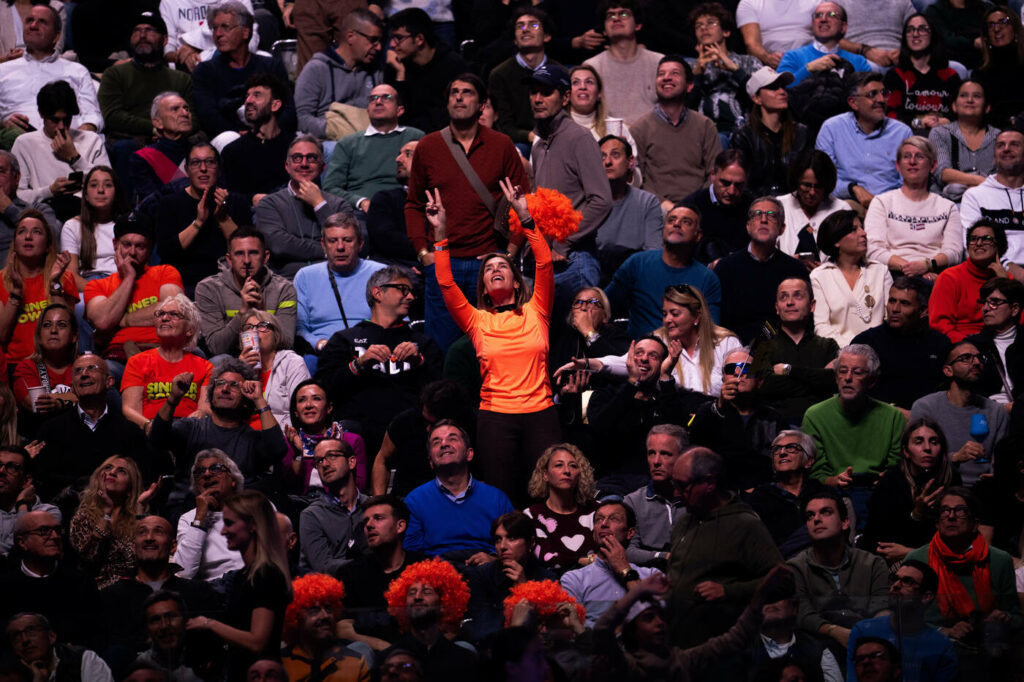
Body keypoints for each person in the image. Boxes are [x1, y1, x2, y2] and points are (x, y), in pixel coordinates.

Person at [430, 180, 561, 504]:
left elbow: (544, 264)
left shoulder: (537, 310)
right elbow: (445, 283)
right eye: (489, 269)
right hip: (495, 417)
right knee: (501, 495)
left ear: (517, 284)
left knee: (547, 493)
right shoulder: (477, 320)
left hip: (541, 413)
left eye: (503, 265)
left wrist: (526, 220)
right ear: (485, 288)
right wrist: (440, 235)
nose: (496, 269)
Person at [404, 73, 529, 353]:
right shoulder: (428, 146)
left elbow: (524, 204)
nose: (459, 97)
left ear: (483, 104)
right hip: (443, 263)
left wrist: (509, 254)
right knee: (441, 350)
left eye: (467, 92)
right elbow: (413, 204)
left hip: (487, 263)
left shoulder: (502, 145)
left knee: (492, 348)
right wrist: (424, 254)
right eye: (454, 92)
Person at [315, 264, 443, 454]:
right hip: (359, 436)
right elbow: (325, 390)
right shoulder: (344, 340)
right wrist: (357, 365)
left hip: (412, 435)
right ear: (378, 293)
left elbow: (443, 394)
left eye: (411, 292)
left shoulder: (422, 344)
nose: (411, 297)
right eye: (403, 290)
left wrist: (420, 363)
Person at [666, 447, 782, 646]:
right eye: (673, 483)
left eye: (682, 485)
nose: (676, 493)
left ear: (710, 483)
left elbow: (781, 580)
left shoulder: (745, 524)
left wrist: (728, 591)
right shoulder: (685, 521)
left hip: (721, 646)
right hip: (677, 641)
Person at [904, 487, 1023, 673]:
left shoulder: (1000, 561)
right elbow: (904, 619)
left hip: (987, 653)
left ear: (975, 523)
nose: (951, 516)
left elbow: (1016, 617)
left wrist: (1004, 618)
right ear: (937, 522)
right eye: (945, 511)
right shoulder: (917, 560)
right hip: (931, 653)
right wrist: (944, 632)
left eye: (960, 511)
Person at [528, 64, 613, 311]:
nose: (537, 99)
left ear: (565, 98)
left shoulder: (580, 138)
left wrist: (564, 242)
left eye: (546, 92)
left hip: (575, 259)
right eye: (533, 92)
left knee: (580, 342)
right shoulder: (538, 145)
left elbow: (601, 200)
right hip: (546, 259)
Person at [184, 490, 292, 681]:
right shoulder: (244, 575)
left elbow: (257, 642)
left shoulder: (266, 574)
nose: (223, 531)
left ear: (252, 525)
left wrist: (208, 624)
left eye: (229, 523)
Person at [802, 344, 905, 523]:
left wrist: (886, 478)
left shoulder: (893, 416)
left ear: (871, 381)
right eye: (843, 371)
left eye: (857, 372)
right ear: (836, 377)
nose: (848, 378)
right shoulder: (815, 415)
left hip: (879, 490)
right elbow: (816, 472)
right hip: (833, 492)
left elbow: (896, 464)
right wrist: (834, 480)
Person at [152, 360, 286, 495]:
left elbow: (277, 450)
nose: (225, 389)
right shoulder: (191, 427)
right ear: (211, 395)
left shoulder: (251, 438)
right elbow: (156, 439)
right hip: (188, 509)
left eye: (234, 385)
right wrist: (173, 399)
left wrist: (259, 400)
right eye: (220, 383)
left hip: (235, 510)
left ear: (246, 401)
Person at [32, 354, 151, 502]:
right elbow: (44, 479)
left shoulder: (130, 431)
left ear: (109, 382)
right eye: (78, 371)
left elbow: (140, 477)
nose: (84, 375)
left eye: (91, 368)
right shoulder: (52, 429)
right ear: (72, 388)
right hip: (68, 507)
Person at [100, 515, 222, 657]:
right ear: (133, 547)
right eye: (142, 532)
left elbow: (212, 646)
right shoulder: (111, 597)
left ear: (173, 546)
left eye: (158, 532)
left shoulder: (198, 592)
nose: (149, 537)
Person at [787, 489, 889, 656]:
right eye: (810, 516)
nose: (816, 519)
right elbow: (802, 614)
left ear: (845, 522)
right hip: (817, 647)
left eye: (825, 512)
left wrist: (870, 634)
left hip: (870, 642)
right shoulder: (795, 568)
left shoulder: (872, 564)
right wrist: (834, 631)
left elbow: (882, 607)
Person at [84, 216, 184, 376]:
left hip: (163, 350)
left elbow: (174, 311)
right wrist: (129, 278)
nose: (132, 252)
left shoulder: (165, 272)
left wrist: (123, 320)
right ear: (115, 245)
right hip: (120, 358)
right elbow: (102, 322)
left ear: (150, 249)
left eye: (140, 246)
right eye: (126, 245)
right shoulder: (97, 286)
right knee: (100, 373)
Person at [604, 204, 722, 339]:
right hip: (639, 353)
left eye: (686, 222)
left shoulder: (707, 279)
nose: (676, 224)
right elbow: (605, 303)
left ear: (698, 235)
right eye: (671, 220)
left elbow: (711, 330)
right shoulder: (638, 263)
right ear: (663, 228)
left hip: (684, 354)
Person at [404, 419, 513, 560]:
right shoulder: (415, 500)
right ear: (431, 462)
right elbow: (411, 554)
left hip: (488, 571)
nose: (444, 444)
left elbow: (514, 547)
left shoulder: (497, 498)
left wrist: (494, 560)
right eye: (436, 442)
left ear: (469, 454)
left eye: (452, 439)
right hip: (435, 573)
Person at [859, 419, 959, 564]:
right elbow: (884, 539)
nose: (927, 448)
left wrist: (913, 552)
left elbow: (956, 538)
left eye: (934, 442)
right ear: (906, 451)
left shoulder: (951, 478)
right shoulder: (891, 481)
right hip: (891, 559)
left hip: (937, 557)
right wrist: (917, 515)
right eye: (918, 442)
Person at [155, 143, 250, 293]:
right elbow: (167, 252)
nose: (203, 169)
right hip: (184, 282)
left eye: (210, 162)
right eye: (195, 163)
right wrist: (198, 222)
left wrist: (223, 217)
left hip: (227, 279)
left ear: (219, 169)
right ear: (187, 170)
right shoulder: (170, 203)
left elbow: (246, 251)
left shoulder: (236, 202)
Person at [864, 136, 962, 282]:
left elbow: (954, 252)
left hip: (935, 274)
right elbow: (873, 250)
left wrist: (927, 265)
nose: (912, 162)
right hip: (892, 273)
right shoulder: (882, 202)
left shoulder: (947, 207)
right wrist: (912, 269)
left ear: (933, 166)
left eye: (920, 156)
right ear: (898, 165)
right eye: (906, 156)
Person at [632, 55, 722, 213]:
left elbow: (714, 174)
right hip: (656, 209)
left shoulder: (705, 126)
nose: (666, 78)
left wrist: (696, 205)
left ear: (689, 86)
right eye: (661, 74)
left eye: (674, 73)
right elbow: (638, 179)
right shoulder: (640, 128)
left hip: (699, 209)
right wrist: (664, 205)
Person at [910, 341, 1009, 484]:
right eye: (966, 358)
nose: (976, 362)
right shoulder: (926, 406)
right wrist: (955, 457)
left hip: (984, 489)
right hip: (940, 484)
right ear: (948, 371)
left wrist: (997, 476)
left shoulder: (997, 411)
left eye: (978, 358)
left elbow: (1000, 461)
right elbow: (916, 458)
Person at [10, 81, 110, 221]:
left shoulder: (91, 140)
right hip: (47, 214)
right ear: (41, 114)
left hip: (87, 211)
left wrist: (74, 158)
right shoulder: (24, 143)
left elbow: (107, 185)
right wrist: (50, 191)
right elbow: (17, 196)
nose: (61, 127)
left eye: (67, 119)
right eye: (55, 120)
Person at [0, 511, 102, 647]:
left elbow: (96, 634)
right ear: (22, 542)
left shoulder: (80, 582)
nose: (54, 536)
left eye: (57, 530)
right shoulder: (5, 587)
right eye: (43, 531)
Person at [689, 348, 787, 490]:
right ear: (723, 378)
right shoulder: (708, 412)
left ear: (760, 381)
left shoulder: (774, 418)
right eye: (730, 368)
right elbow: (695, 455)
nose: (737, 372)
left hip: (763, 492)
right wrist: (720, 406)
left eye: (747, 368)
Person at [254, 135, 351, 279]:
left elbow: (345, 242)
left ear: (322, 167)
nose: (304, 164)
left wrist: (319, 204)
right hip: (286, 282)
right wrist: (329, 251)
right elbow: (280, 246)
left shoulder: (339, 204)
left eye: (311, 158)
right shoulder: (269, 204)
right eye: (297, 158)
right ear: (287, 166)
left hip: (333, 279)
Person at [714, 196, 808, 343]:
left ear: (782, 228)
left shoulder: (795, 269)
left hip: (784, 346)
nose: (764, 219)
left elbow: (804, 321)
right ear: (748, 226)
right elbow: (721, 324)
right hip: (735, 347)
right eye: (757, 214)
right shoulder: (726, 268)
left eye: (771, 215)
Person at [190, 2, 292, 138]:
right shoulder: (205, 71)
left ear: (245, 32)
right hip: (227, 138)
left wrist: (266, 130)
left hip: (271, 134)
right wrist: (244, 135)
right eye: (215, 28)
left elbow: (288, 110)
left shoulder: (271, 67)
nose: (218, 34)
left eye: (225, 27)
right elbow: (209, 117)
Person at [846, 560, 958, 682]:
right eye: (895, 578)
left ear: (926, 597)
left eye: (907, 581)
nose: (896, 585)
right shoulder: (863, 631)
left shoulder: (941, 646)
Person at [0, 5, 103, 137]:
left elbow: (93, 116)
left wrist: (78, 136)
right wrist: (3, 124)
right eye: (29, 20)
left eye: (42, 22)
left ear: (56, 36)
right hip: (17, 142)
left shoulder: (77, 71)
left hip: (68, 140)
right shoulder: (3, 70)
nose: (33, 25)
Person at [815, 73, 913, 210]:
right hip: (845, 206)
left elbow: (909, 181)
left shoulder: (902, 133)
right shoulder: (832, 129)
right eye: (872, 94)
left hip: (892, 207)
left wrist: (882, 206)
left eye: (884, 93)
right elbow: (823, 178)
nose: (881, 99)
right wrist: (852, 188)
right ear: (853, 103)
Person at [195, 227, 297, 358]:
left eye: (253, 253)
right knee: (220, 360)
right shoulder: (208, 289)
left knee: (291, 358)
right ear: (229, 260)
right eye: (239, 253)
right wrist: (243, 313)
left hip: (271, 359)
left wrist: (262, 313)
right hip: (230, 362)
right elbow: (216, 348)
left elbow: (287, 344)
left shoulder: (284, 289)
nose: (247, 260)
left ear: (265, 257)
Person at [322, 84, 423, 216]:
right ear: (367, 111)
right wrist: (361, 202)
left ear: (400, 110)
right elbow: (330, 188)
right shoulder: (348, 143)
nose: (378, 101)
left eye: (386, 98)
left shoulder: (416, 137)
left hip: (405, 207)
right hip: (361, 212)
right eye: (373, 98)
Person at [560, 499, 663, 627]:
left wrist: (625, 569)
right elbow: (576, 629)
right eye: (598, 519)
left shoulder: (651, 576)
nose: (604, 524)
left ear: (630, 533)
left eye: (614, 519)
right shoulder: (574, 579)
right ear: (593, 533)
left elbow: (656, 619)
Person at [853, 276, 951, 410]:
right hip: (877, 417)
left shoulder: (940, 344)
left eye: (905, 303)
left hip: (926, 418)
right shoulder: (866, 342)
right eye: (892, 301)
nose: (895, 309)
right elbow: (855, 391)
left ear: (923, 311)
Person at [95, 11, 193, 146]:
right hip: (131, 140)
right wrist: (154, 128)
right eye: (136, 31)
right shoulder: (114, 74)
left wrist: (167, 130)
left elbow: (194, 119)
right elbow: (112, 116)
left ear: (164, 40)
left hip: (174, 138)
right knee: (123, 147)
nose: (142, 36)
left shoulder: (181, 79)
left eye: (149, 30)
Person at [295, 212, 385, 355]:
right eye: (333, 241)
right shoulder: (305, 276)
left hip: (373, 350)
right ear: (323, 245)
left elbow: (399, 321)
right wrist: (319, 344)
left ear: (360, 243)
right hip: (323, 352)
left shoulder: (381, 273)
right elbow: (299, 328)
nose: (340, 247)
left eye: (347, 240)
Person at [751, 277, 839, 424]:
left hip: (822, 423)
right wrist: (817, 380)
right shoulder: (761, 344)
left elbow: (833, 381)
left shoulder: (829, 345)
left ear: (812, 305)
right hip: (775, 426)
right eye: (783, 297)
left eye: (798, 295)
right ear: (777, 308)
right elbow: (763, 386)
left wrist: (789, 370)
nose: (790, 302)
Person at [120, 294, 211, 433]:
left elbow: (204, 408)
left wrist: (195, 420)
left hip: (189, 431)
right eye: (160, 314)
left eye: (174, 314)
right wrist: (148, 426)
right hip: (149, 430)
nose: (164, 318)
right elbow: (129, 409)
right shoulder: (137, 362)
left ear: (190, 329)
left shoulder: (205, 366)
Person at [0, 209, 77, 370]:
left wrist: (54, 283)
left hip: (56, 365)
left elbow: (67, 331)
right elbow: (2, 335)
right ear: (14, 244)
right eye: (22, 232)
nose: (28, 237)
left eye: (36, 232)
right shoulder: (1, 280)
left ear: (48, 245)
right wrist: (16, 292)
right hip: (16, 366)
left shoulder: (64, 278)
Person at [465, 511, 558, 642]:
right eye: (498, 539)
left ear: (531, 543)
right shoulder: (480, 576)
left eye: (512, 538)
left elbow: (546, 632)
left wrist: (523, 588)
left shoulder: (547, 579)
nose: (502, 546)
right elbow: (481, 630)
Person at [293, 7, 384, 139]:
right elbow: (302, 119)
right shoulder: (317, 69)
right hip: (329, 142)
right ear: (351, 36)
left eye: (380, 41)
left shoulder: (375, 71)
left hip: (368, 141)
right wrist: (337, 130)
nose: (379, 47)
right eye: (373, 40)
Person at [744, 430, 835, 558]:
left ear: (809, 461)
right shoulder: (759, 498)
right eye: (777, 449)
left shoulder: (824, 493)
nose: (782, 453)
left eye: (792, 448)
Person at [383, 558, 477, 679]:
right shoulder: (388, 660)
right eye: (411, 592)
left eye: (426, 592)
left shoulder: (464, 659)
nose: (417, 597)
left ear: (443, 604)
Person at [810, 210, 893, 347]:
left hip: (877, 350)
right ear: (836, 241)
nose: (863, 233)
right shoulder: (820, 276)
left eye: (862, 227)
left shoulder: (880, 270)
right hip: (838, 353)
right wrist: (853, 349)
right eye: (854, 230)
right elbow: (821, 326)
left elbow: (889, 319)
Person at [486, 7, 561, 148]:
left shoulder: (559, 72)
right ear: (515, 40)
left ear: (546, 36)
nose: (525, 29)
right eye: (520, 26)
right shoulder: (499, 75)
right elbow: (503, 125)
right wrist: (532, 137)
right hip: (518, 142)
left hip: (556, 139)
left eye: (533, 25)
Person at [69, 456, 148, 590]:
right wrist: (106, 512)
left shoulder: (136, 519)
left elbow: (144, 557)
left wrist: (140, 507)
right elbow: (89, 559)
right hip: (96, 591)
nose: (112, 472)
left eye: (122, 471)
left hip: (133, 590)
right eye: (108, 468)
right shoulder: (84, 515)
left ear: (130, 489)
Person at [385, 8, 469, 133]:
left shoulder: (453, 66)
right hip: (406, 135)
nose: (392, 44)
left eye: (398, 38)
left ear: (419, 39)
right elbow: (396, 115)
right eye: (392, 38)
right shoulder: (396, 66)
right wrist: (400, 76)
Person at [686, 2, 762, 137]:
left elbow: (763, 95)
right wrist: (697, 76)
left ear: (726, 32)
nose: (704, 28)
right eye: (699, 25)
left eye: (711, 23)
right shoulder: (690, 68)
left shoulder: (749, 61)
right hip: (702, 133)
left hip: (744, 131)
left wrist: (734, 69)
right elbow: (683, 108)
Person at [731, 68, 810, 196]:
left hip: (795, 202)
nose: (782, 92)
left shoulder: (801, 132)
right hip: (758, 204)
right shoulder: (744, 135)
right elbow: (743, 183)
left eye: (783, 87)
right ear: (757, 98)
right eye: (773, 88)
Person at [279, 379, 367, 494]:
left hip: (339, 506)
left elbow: (359, 487)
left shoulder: (351, 441)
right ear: (295, 412)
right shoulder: (288, 444)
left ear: (329, 408)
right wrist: (298, 455)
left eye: (316, 398)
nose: (308, 405)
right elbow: (288, 490)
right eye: (302, 400)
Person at [581, 1, 663, 125]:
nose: (617, 19)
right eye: (610, 16)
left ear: (638, 25)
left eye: (624, 14)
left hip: (652, 134)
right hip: (608, 135)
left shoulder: (658, 62)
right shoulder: (592, 66)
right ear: (604, 30)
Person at [280, 573, 372, 682]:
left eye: (328, 609)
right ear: (296, 616)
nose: (325, 616)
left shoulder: (355, 662)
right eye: (314, 610)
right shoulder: (281, 662)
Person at [653, 283, 740, 398]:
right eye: (665, 314)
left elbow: (743, 381)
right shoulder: (657, 342)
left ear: (696, 316)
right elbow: (628, 365)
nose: (667, 320)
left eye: (675, 314)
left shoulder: (726, 342)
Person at [521, 444, 598, 573]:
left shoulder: (596, 510)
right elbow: (545, 557)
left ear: (579, 474)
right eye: (559, 465)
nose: (567, 471)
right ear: (545, 475)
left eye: (573, 466)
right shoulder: (532, 515)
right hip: (553, 584)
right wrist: (580, 560)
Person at [960, 128, 1024, 279]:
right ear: (994, 156)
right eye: (1001, 145)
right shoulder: (975, 195)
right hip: (994, 273)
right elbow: (972, 244)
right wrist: (1011, 269)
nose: (1006, 149)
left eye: (1014, 144)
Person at [172, 449, 245, 582]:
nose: (206, 474)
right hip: (215, 590)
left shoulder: (256, 506)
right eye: (199, 472)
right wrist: (200, 518)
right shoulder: (188, 519)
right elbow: (183, 573)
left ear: (233, 479)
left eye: (215, 468)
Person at [298, 437, 368, 574]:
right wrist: (367, 565)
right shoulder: (312, 515)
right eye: (319, 460)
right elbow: (322, 565)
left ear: (351, 462)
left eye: (332, 456)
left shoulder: (371, 508)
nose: (324, 464)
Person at [929, 219, 1007, 342]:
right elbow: (940, 325)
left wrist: (1005, 284)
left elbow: (1019, 319)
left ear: (999, 245)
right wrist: (969, 346)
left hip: (1000, 342)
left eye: (986, 238)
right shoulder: (949, 277)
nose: (978, 243)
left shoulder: (1007, 279)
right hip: (960, 344)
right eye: (973, 239)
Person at [593, 135, 659, 278]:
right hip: (595, 277)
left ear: (630, 162)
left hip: (634, 277)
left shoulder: (647, 202)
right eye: (602, 157)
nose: (608, 162)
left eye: (615, 155)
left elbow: (653, 256)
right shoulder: (586, 201)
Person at [220, 74, 292, 205]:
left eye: (257, 95)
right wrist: (252, 200)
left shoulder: (293, 147)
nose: (248, 101)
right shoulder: (234, 151)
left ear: (275, 105)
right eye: (247, 96)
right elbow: (226, 197)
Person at [885, 14, 960, 136]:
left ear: (932, 34)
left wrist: (946, 121)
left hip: (945, 135)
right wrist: (919, 122)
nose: (915, 34)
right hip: (908, 137)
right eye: (910, 30)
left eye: (922, 29)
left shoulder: (950, 76)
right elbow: (890, 115)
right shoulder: (896, 75)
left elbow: (962, 112)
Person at [623, 424, 686, 568]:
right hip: (647, 578)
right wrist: (663, 556)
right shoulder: (633, 501)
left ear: (683, 457)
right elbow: (626, 551)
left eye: (665, 454)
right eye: (651, 453)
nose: (656, 461)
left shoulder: (696, 499)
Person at [569, 70, 642, 190]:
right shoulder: (553, 128)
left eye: (589, 82)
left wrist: (625, 161)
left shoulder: (617, 128)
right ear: (567, 94)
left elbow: (637, 181)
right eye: (575, 82)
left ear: (599, 94)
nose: (583, 87)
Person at [929, 79, 1000, 202]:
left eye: (976, 96)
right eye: (963, 95)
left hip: (991, 202)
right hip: (948, 204)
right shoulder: (940, 133)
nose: (970, 100)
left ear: (987, 107)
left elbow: (1004, 177)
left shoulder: (999, 137)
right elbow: (942, 173)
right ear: (954, 106)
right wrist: (984, 182)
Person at [61, 167, 127, 295]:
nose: (101, 190)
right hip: (88, 284)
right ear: (85, 194)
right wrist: (101, 292)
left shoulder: (127, 225)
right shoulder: (72, 226)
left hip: (121, 281)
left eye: (107, 185)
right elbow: (71, 275)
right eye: (93, 185)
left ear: (116, 192)